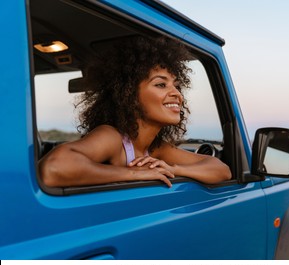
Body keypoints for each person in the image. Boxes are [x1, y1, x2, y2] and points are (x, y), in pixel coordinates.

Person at [38, 36, 232, 188]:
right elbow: (53, 167)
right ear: (129, 95)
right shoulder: (112, 137)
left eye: (177, 86)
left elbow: (221, 170)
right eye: (161, 84)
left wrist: (173, 169)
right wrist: (135, 174)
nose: (177, 94)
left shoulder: (156, 149)